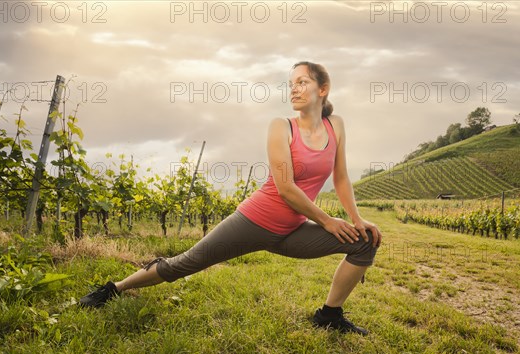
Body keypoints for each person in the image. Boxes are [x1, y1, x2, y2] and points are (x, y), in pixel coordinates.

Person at [80, 61, 382, 335]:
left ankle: (329, 315)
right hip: (254, 222)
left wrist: (357, 219)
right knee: (182, 265)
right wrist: (327, 221)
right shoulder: (282, 126)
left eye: (302, 82)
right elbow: (285, 187)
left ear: (323, 89)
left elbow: (340, 176)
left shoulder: (336, 125)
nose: (294, 89)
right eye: (291, 83)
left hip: (292, 232)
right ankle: (114, 289)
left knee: (365, 242)